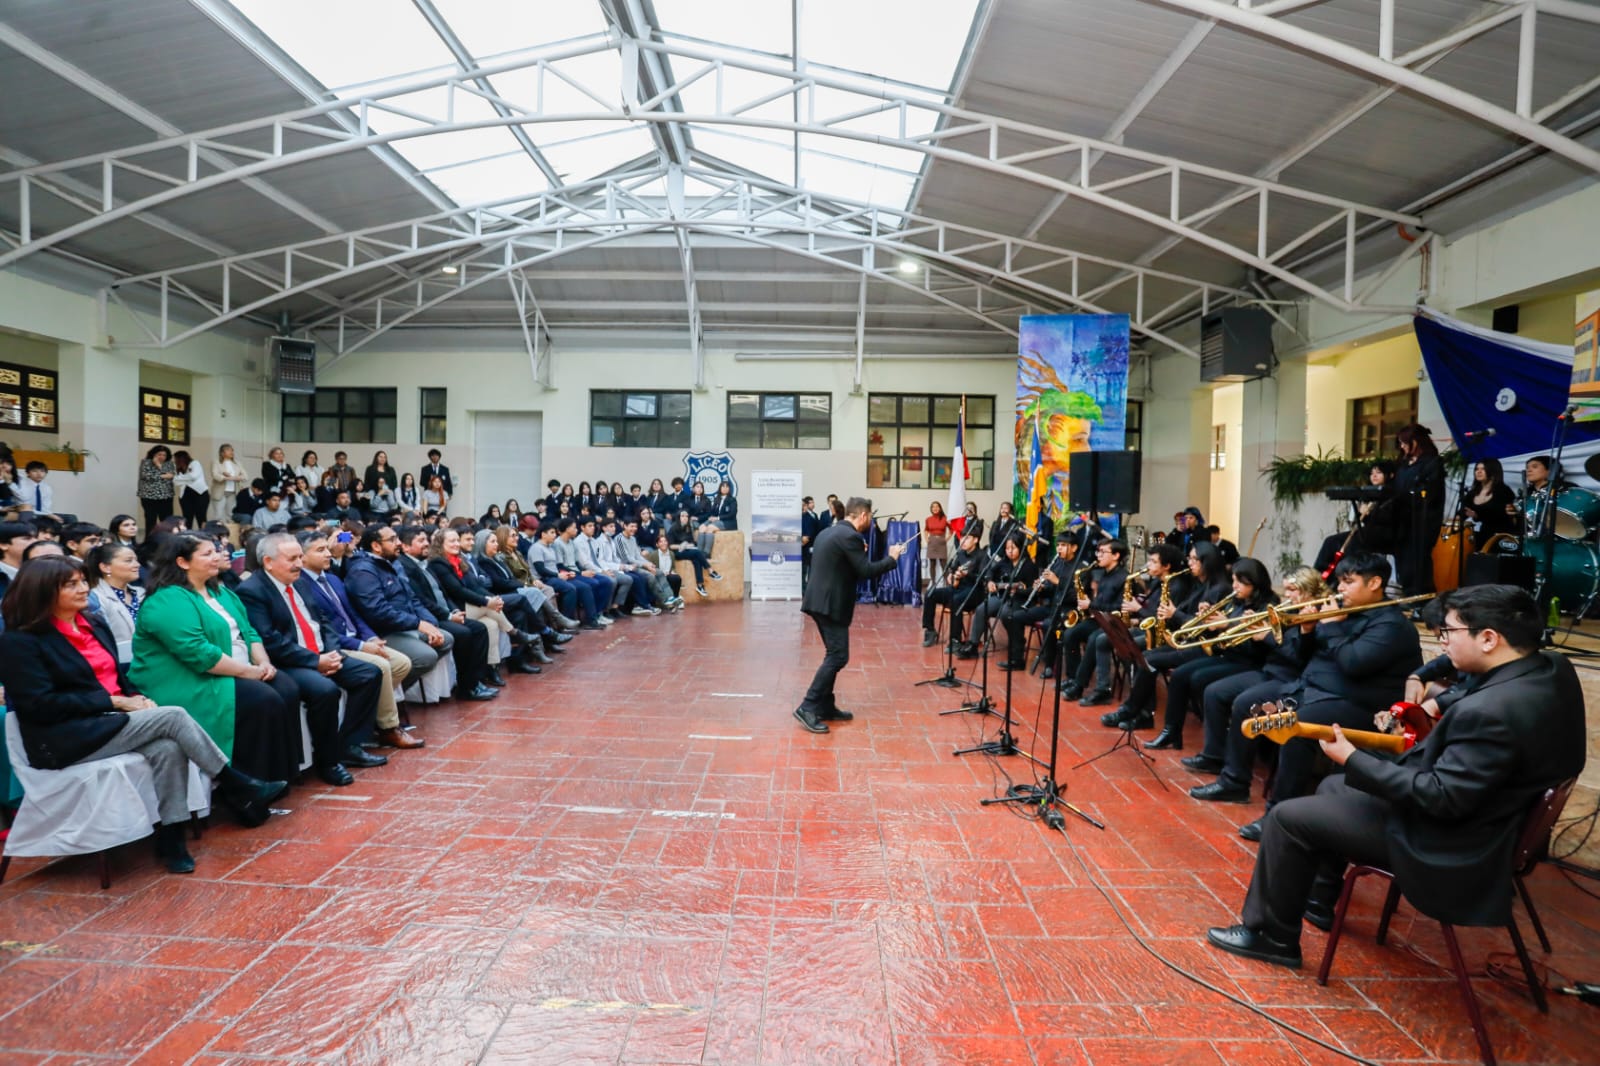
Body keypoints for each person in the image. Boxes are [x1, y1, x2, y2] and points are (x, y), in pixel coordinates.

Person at [1204, 584, 1587, 970]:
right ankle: (1318, 901)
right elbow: (1480, 701)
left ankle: (1272, 937)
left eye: (1448, 632)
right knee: (1333, 784)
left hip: (1455, 844)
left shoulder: (1491, 711)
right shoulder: (1550, 669)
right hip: (1497, 820)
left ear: (1489, 638)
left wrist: (1353, 758)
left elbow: (1441, 797)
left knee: (1287, 818)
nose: (1442, 644)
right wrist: (1435, 705)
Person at [0, 556, 288, 870]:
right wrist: (115, 703)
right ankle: (235, 783)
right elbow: (40, 705)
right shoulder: (20, 643)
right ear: (41, 591)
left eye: (83, 580)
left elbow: (120, 680)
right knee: (174, 715)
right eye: (71, 584)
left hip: (107, 723)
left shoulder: (92, 625)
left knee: (167, 746)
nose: (84, 588)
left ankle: (172, 837)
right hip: (65, 737)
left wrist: (136, 697)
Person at [1193, 553, 1421, 840]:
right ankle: (1234, 781)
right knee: (1247, 705)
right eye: (1339, 581)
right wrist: (1308, 630)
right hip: (1308, 690)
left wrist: (1331, 626)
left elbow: (1354, 664)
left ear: (1375, 583)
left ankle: (1278, 814)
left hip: (1356, 705)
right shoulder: (1345, 613)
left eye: (1348, 582)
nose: (1340, 589)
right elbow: (1303, 656)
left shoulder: (1390, 625)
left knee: (1297, 727)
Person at [129, 534, 304, 797]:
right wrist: (250, 672)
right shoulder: (167, 599)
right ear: (182, 562)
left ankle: (278, 775)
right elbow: (199, 653)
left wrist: (264, 663)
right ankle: (246, 787)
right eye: (207, 553)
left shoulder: (220, 592)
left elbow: (249, 632)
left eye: (217, 551)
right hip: (187, 678)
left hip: (235, 668)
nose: (218, 557)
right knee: (262, 699)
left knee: (286, 687)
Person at [237, 532, 385, 786]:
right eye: (291, 558)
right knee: (325, 691)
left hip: (322, 652)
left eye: (299, 557)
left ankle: (350, 744)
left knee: (370, 674)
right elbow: (270, 640)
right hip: (289, 662)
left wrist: (332, 652)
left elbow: (324, 621)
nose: (298, 564)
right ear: (268, 562)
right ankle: (329, 762)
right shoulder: (252, 591)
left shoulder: (300, 582)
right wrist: (315, 661)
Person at [295, 529, 421, 750]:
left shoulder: (333, 579)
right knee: (382, 666)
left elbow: (354, 613)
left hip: (359, 638)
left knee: (402, 663)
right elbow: (327, 631)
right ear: (302, 557)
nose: (328, 554)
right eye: (320, 550)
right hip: (338, 645)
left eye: (327, 548)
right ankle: (389, 729)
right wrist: (362, 645)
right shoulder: (301, 585)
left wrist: (370, 636)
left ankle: (372, 715)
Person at [343, 525, 497, 703]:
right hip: (385, 631)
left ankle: (395, 693)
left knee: (446, 638)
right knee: (427, 656)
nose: (398, 543)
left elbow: (413, 599)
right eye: (392, 539)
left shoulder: (389, 564)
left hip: (406, 623)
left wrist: (431, 623)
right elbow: (378, 612)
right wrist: (418, 624)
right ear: (376, 546)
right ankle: (386, 699)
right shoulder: (363, 571)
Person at [794, 496, 906, 733]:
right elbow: (866, 571)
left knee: (833, 653)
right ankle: (808, 706)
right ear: (863, 516)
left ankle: (825, 705)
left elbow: (840, 565)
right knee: (838, 656)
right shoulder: (851, 537)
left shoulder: (830, 532)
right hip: (830, 605)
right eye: (870, 517)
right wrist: (892, 558)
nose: (870, 521)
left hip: (818, 601)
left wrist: (857, 552)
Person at [1313, 461, 1398, 573]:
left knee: (1352, 544)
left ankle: (1348, 575)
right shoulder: (1367, 496)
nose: (1374, 476)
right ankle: (1319, 575)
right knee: (1331, 541)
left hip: (1385, 535)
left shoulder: (1393, 495)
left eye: (1378, 473)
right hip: (1366, 533)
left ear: (1390, 475)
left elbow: (1387, 520)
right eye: (1372, 473)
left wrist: (1367, 515)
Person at [1392, 424, 1445, 597]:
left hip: (1423, 519)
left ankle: (1422, 596)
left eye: (1404, 442)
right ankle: (1407, 593)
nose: (1402, 446)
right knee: (1403, 559)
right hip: (1403, 518)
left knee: (1419, 559)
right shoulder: (1403, 464)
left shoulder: (1432, 462)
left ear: (1416, 442)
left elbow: (1432, 493)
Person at [84, 541, 143, 664]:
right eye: (128, 561)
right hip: (118, 664)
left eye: (136, 560)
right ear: (105, 567)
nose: (137, 565)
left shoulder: (141, 592)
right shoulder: (95, 598)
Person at [1461, 456, 1516, 547]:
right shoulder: (1472, 492)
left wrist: (1477, 516)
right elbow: (1464, 510)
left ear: (1493, 471)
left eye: (1483, 469)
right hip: (1483, 534)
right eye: (1477, 469)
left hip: (1501, 537)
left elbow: (1500, 515)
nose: (1478, 472)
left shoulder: (1504, 491)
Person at [136, 445, 176, 531]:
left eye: (164, 455)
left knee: (167, 521)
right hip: (148, 496)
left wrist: (158, 465)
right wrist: (164, 476)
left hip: (166, 496)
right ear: (154, 454)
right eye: (159, 454)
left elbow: (172, 475)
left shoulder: (169, 463)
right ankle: (150, 541)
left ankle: (166, 541)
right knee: (150, 520)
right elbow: (146, 476)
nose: (162, 457)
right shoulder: (146, 462)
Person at [210, 444, 245, 522]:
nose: (231, 452)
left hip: (233, 492)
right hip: (220, 492)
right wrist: (226, 477)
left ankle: (230, 533)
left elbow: (245, 476)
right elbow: (215, 475)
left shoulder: (237, 463)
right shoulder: (216, 462)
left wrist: (232, 477)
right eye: (228, 450)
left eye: (232, 450)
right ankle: (217, 533)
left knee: (231, 515)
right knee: (218, 515)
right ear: (222, 453)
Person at [923, 501, 949, 589]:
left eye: (937, 506)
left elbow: (952, 530)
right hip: (932, 542)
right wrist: (927, 539)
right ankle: (933, 583)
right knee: (932, 563)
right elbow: (926, 530)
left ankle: (947, 583)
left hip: (941, 542)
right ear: (931, 509)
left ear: (940, 508)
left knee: (943, 564)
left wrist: (947, 539)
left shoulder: (945, 518)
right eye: (933, 507)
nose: (935, 508)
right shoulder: (928, 519)